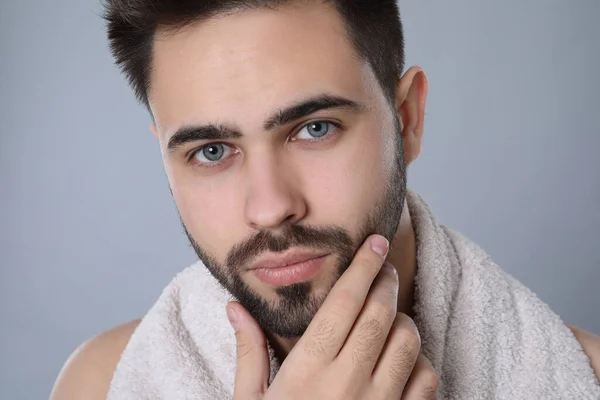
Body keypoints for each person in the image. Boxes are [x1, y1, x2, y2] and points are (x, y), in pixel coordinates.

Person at [51, 0, 600, 398]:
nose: (269, 208)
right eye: (212, 150)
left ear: (406, 119)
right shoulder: (101, 385)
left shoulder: (584, 378)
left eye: (314, 129)